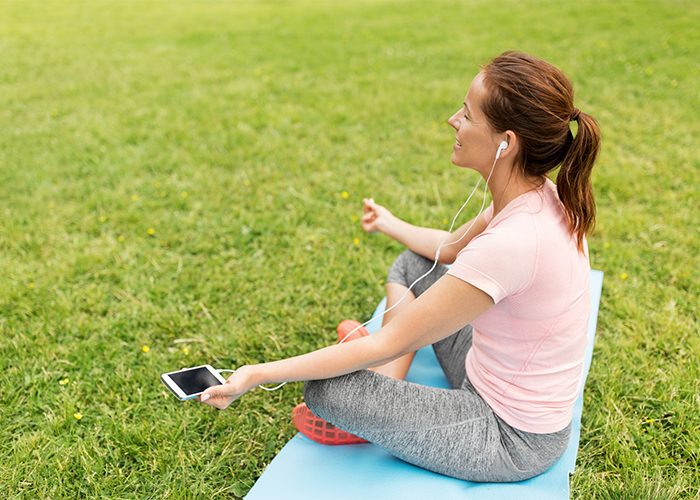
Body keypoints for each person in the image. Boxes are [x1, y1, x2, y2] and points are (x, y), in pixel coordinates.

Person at [199, 50, 601, 482]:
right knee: (414, 264)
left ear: (506, 142)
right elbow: (448, 248)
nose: (453, 120)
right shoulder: (535, 195)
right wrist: (391, 224)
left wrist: (254, 375)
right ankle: (386, 382)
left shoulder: (514, 242)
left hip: (508, 438)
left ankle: (376, 394)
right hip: (485, 370)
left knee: (327, 389)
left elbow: (384, 342)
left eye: (466, 114)